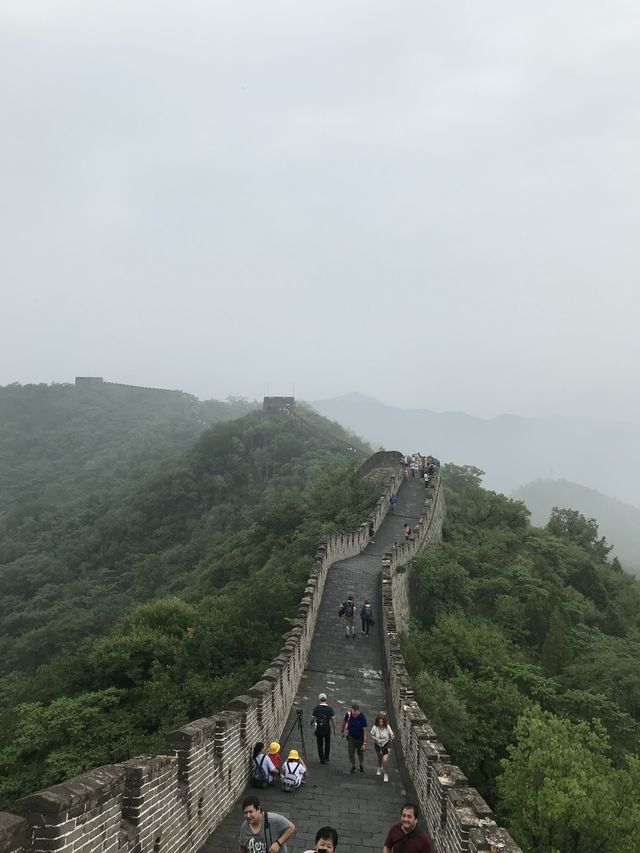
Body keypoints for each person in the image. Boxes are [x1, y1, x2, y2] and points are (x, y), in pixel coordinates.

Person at [341, 703, 368, 773]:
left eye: (356, 714)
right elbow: (344, 722)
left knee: (360, 753)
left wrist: (364, 743)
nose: (354, 716)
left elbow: (365, 731)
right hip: (351, 738)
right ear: (351, 711)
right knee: (351, 753)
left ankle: (361, 764)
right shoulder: (349, 714)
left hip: (360, 739)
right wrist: (342, 731)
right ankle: (353, 766)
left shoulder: (362, 718)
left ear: (358, 711)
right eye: (353, 714)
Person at [312, 692, 336, 763]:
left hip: (319, 729)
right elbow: (333, 720)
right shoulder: (329, 709)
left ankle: (322, 759)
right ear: (326, 699)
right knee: (327, 743)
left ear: (319, 699)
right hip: (327, 729)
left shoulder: (316, 708)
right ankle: (326, 757)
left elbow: (312, 718)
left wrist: (311, 723)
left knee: (320, 744)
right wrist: (334, 729)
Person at [370, 713, 394, 782]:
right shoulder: (375, 727)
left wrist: (392, 737)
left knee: (385, 760)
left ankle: (386, 773)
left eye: (382, 721)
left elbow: (392, 735)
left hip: (386, 744)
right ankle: (379, 766)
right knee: (380, 758)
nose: (381, 723)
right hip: (378, 745)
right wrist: (376, 739)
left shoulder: (387, 727)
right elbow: (372, 735)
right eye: (380, 721)